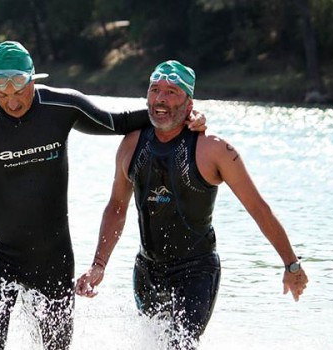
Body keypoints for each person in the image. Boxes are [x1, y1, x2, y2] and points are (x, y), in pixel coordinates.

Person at [0, 42, 206, 350]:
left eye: (19, 91)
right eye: (2, 93)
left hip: (51, 257)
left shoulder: (62, 107)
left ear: (32, 79)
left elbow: (119, 123)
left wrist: (187, 114)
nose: (12, 102)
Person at [74, 60, 309, 349]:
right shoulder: (131, 143)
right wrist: (99, 265)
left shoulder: (214, 149)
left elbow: (258, 208)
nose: (160, 98)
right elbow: (116, 208)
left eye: (171, 92)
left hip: (196, 272)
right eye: (155, 90)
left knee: (179, 346)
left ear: (189, 102)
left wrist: (292, 264)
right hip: (147, 271)